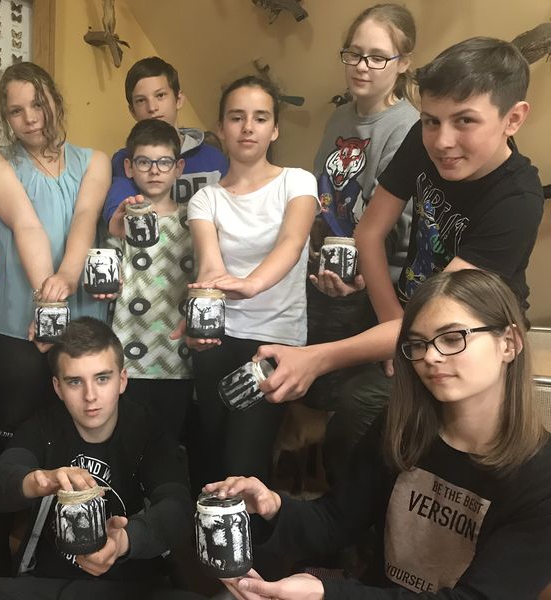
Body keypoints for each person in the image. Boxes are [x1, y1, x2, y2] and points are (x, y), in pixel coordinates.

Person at [258, 38, 544, 434]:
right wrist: (394, 324)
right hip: (410, 316)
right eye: (431, 120)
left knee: (363, 406)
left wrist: (318, 358)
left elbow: (444, 311)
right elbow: (369, 232)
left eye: (465, 120)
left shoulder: (517, 200)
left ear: (513, 119)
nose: (442, 141)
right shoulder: (422, 141)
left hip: (470, 335)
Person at [208, 269, 551, 599]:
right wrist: (273, 506)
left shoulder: (541, 480)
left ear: (509, 343)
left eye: (451, 338)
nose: (431, 356)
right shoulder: (401, 429)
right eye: (418, 344)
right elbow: (337, 521)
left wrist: (330, 594)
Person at [0, 317, 199, 600]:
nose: (90, 396)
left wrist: (124, 541)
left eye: (102, 378)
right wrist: (40, 481)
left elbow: (177, 506)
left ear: (122, 380)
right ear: (58, 387)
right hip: (55, 584)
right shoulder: (44, 426)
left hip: (131, 587)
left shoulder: (147, 430)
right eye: (75, 382)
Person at [0, 61, 111, 575]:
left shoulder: (95, 161)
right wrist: (46, 300)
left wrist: (65, 284)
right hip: (19, 318)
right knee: (11, 434)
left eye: (37, 104)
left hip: (80, 314)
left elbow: (84, 218)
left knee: (75, 428)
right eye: (16, 111)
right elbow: (26, 223)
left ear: (55, 100)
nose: (30, 118)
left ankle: (69, 546)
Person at [184, 76, 318, 492]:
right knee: (210, 453)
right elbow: (210, 265)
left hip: (276, 339)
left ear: (274, 129)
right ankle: (208, 529)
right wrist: (197, 314)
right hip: (219, 336)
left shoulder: (298, 181)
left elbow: (292, 243)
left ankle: (252, 533)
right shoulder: (205, 199)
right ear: (221, 128)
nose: (248, 127)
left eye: (260, 118)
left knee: (244, 461)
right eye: (236, 117)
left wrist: (251, 284)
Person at [305, 4, 419, 480]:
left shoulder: (408, 126)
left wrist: (358, 276)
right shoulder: (338, 118)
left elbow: (395, 226)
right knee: (313, 398)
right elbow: (321, 194)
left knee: (349, 410)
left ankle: (340, 505)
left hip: (376, 288)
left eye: (377, 57)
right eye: (353, 54)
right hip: (329, 272)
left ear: (403, 62)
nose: (362, 66)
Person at [104, 118, 194, 442]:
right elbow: (107, 272)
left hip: (177, 355)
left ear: (178, 167)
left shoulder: (193, 218)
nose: (154, 171)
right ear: (129, 167)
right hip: (128, 351)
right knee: (127, 441)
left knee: (169, 442)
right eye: (144, 162)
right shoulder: (123, 220)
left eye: (164, 162)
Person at [102, 56, 228, 233]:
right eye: (141, 100)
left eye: (160, 95)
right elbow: (118, 208)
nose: (152, 107)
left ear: (179, 99)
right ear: (132, 110)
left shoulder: (213, 158)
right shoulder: (125, 159)